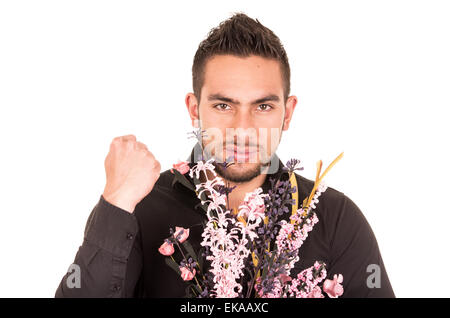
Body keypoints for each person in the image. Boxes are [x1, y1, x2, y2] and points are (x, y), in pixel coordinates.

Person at [55, 12, 395, 298]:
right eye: (223, 105)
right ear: (194, 109)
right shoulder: (136, 208)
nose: (242, 128)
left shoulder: (335, 219)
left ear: (287, 114)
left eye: (262, 106)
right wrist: (115, 204)